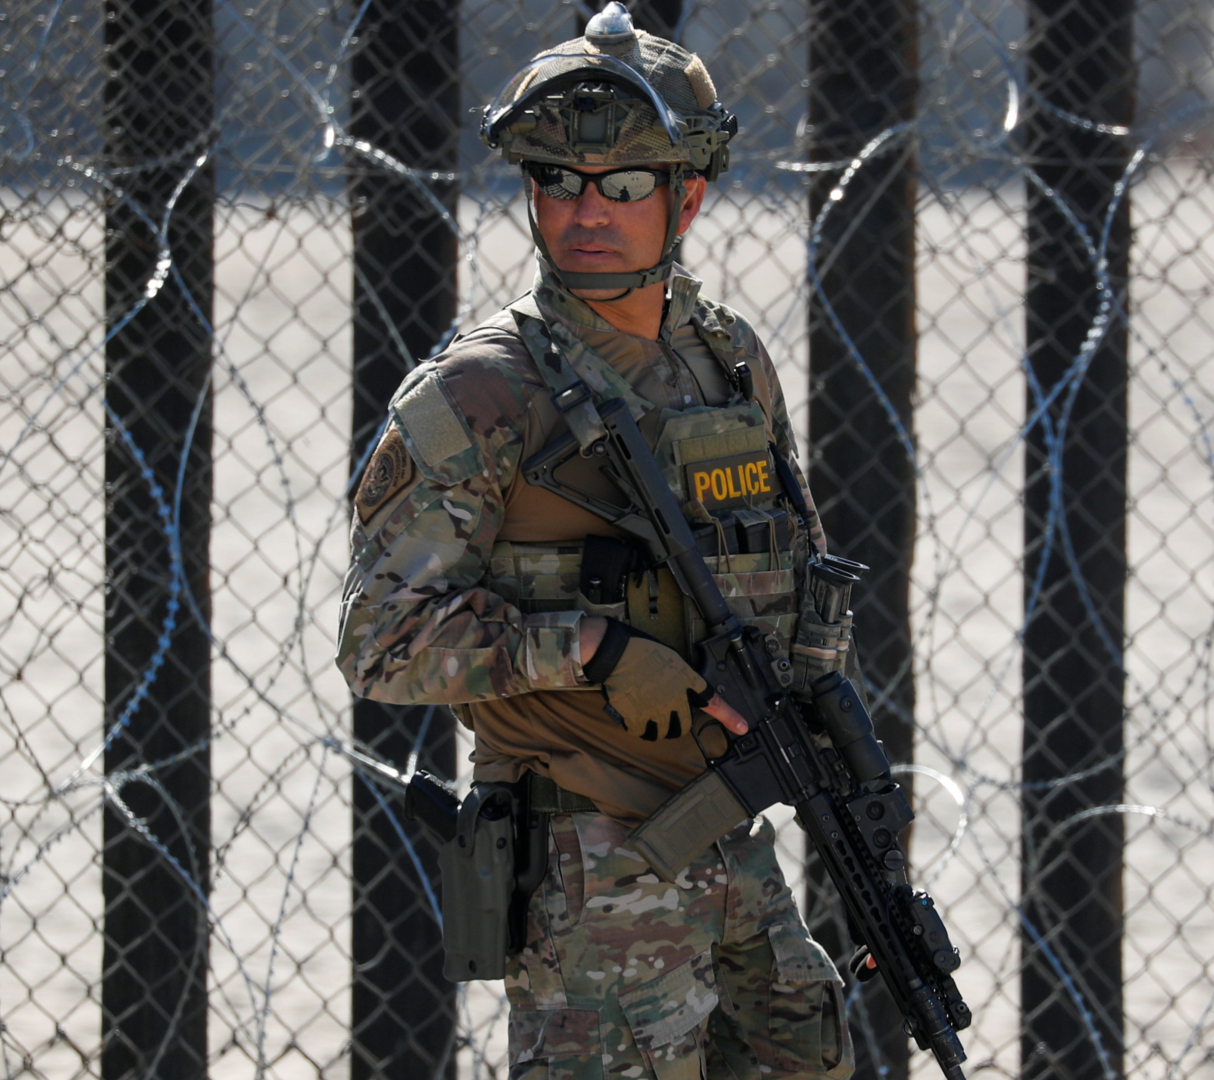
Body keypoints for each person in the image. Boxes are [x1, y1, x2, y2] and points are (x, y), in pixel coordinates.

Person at [337, 5, 855, 1078]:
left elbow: (792, 565)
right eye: (556, 181)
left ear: (688, 197)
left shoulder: (727, 361)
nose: (585, 211)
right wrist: (594, 650)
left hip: (726, 839)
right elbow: (380, 641)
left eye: (622, 185)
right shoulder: (482, 391)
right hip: (587, 857)